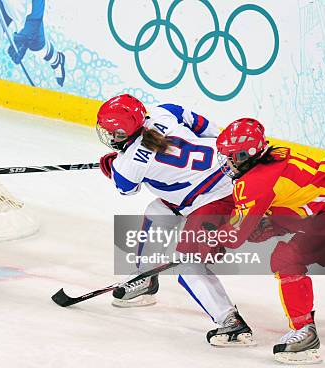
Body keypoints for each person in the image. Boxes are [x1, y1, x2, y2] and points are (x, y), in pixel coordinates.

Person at [96, 94, 255, 346]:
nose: (111, 137)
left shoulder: (127, 165)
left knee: (188, 264)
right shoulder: (162, 112)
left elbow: (126, 189)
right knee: (157, 212)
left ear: (122, 131)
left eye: (113, 133)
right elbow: (203, 126)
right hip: (227, 177)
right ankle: (145, 277)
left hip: (217, 199)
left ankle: (231, 324)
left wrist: (111, 168)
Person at [215, 117, 325, 364]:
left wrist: (208, 239)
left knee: (286, 258)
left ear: (245, 155)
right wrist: (272, 226)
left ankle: (304, 332)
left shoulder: (253, 183)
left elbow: (234, 236)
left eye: (231, 156)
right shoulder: (275, 154)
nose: (228, 162)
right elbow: (305, 202)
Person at [0, 0, 66, 86]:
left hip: (27, 16)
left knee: (38, 49)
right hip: (4, 5)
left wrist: (23, 41)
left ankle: (57, 60)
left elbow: (35, 16)